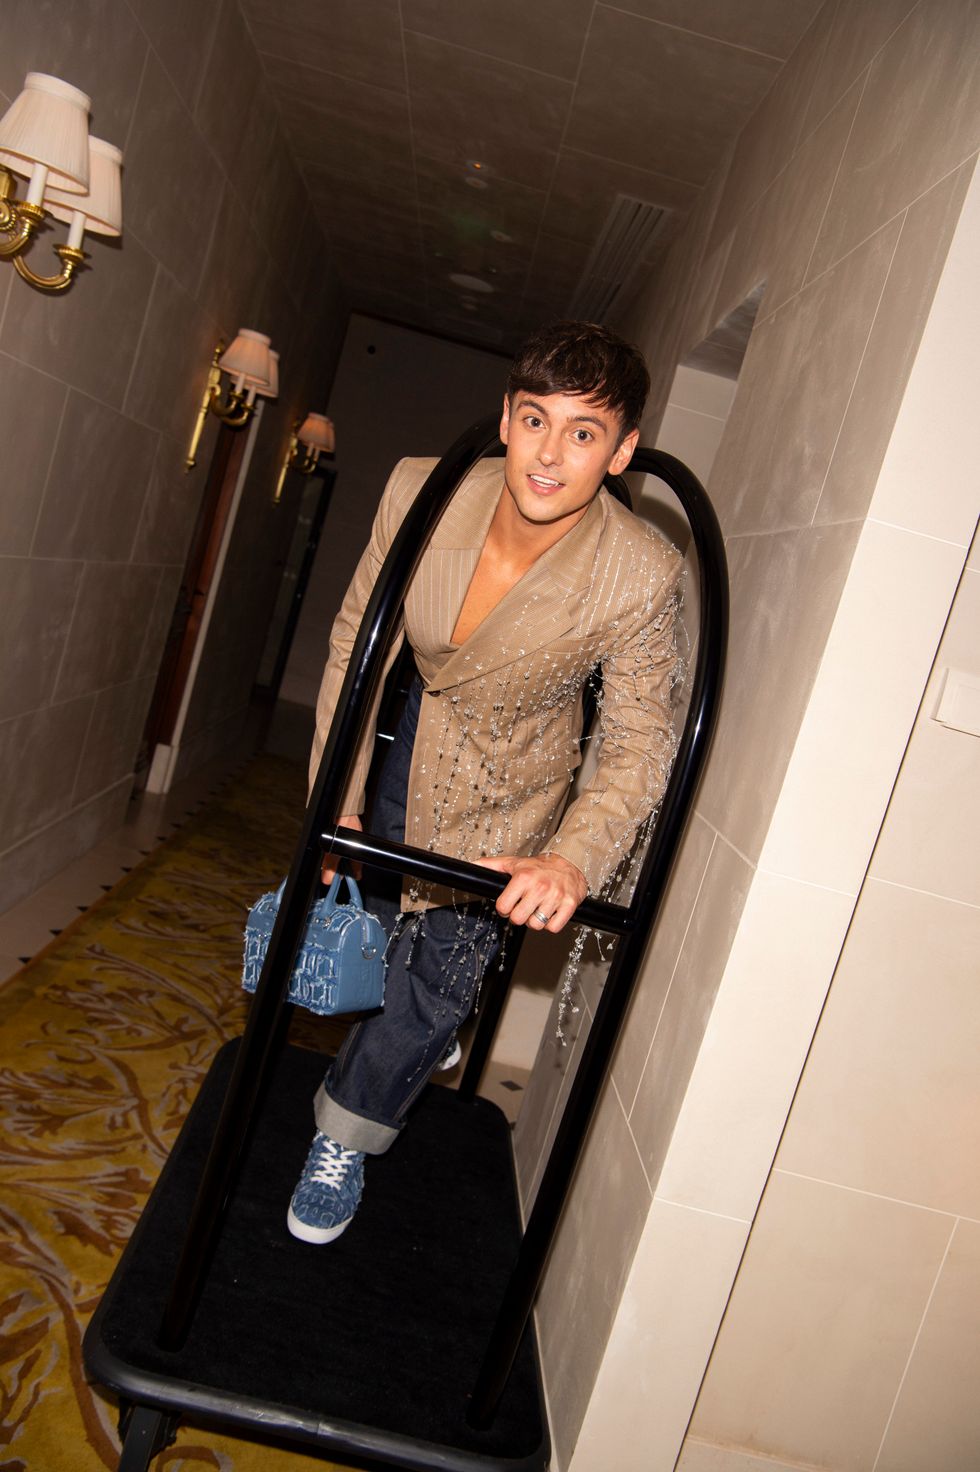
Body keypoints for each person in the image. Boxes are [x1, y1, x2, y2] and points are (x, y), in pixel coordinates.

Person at [287, 320, 682, 1244]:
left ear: (621, 451)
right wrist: (337, 796)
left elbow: (638, 742)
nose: (549, 454)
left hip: (515, 784)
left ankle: (346, 1134)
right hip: (407, 736)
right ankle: (418, 1028)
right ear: (506, 418)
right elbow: (357, 644)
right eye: (535, 420)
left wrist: (574, 860)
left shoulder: (641, 571)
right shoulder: (420, 490)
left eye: (583, 434)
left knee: (434, 980)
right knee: (371, 934)